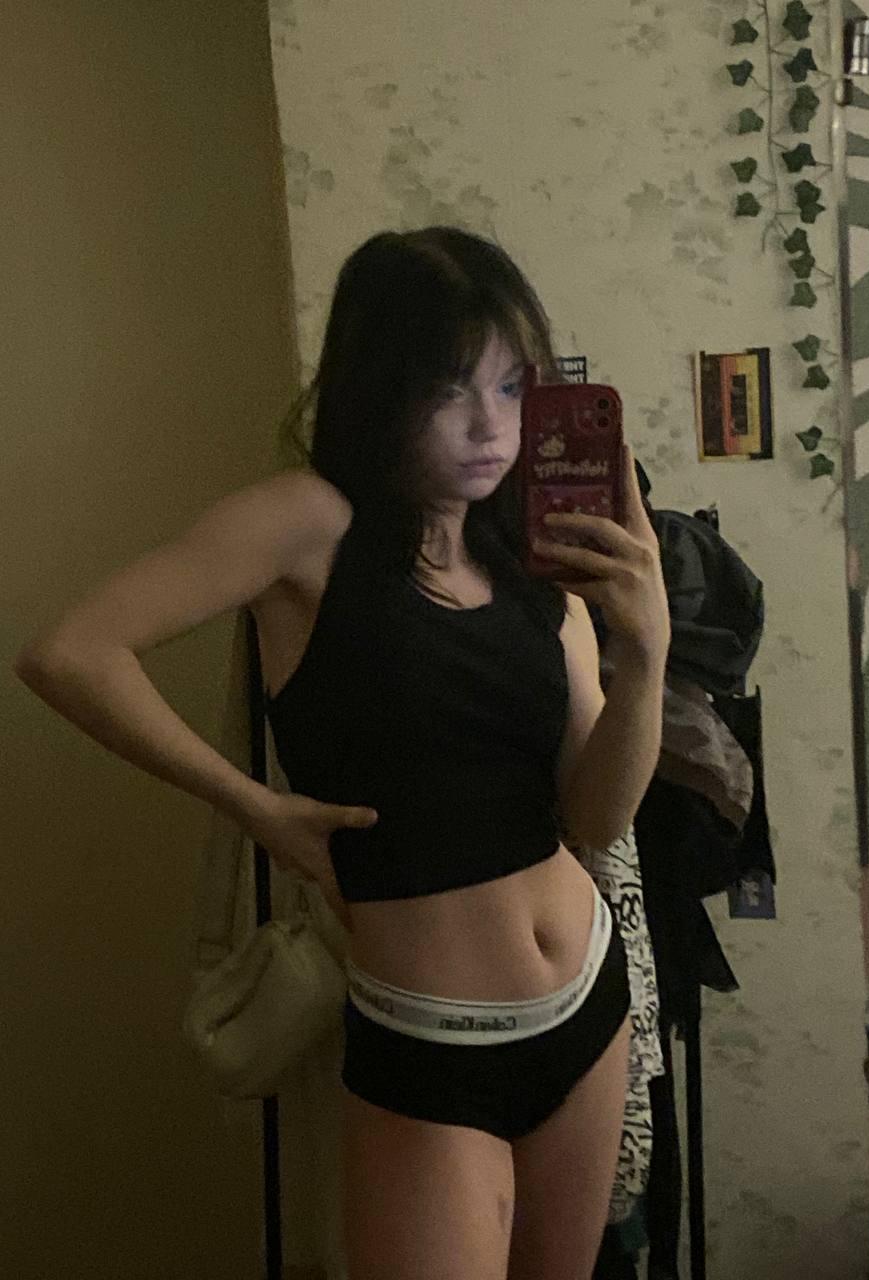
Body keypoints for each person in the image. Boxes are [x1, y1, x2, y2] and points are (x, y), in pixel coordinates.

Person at [14, 226, 670, 1280]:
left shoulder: (536, 563)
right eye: (450, 389)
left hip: (586, 1005)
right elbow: (70, 652)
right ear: (378, 388)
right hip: (428, 1037)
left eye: (511, 387)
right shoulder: (308, 523)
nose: (490, 425)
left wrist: (648, 653)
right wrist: (253, 805)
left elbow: (596, 817)